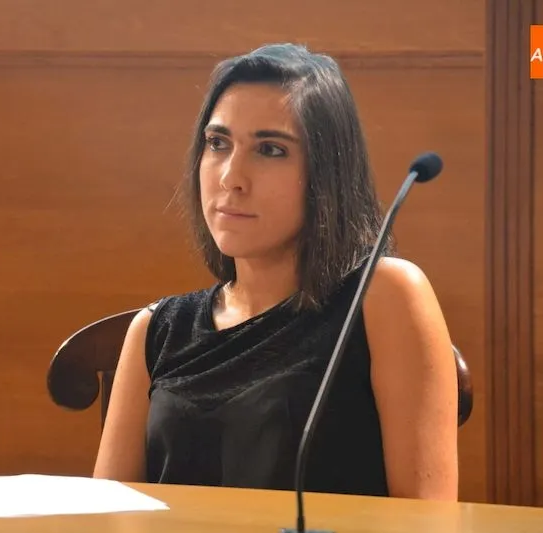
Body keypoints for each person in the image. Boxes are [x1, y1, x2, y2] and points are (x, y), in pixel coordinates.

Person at [92, 43, 459, 501]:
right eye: (218, 143)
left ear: (326, 174)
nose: (231, 177)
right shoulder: (156, 330)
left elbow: (427, 521)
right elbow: (105, 518)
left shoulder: (384, 295)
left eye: (270, 149)